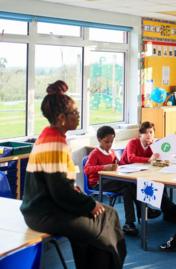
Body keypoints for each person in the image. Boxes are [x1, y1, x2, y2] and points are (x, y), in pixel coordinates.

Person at [20, 80, 126, 269]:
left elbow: (56, 183)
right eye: (75, 113)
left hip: (42, 209)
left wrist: (76, 194)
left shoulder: (50, 135)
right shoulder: (55, 142)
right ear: (61, 118)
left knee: (97, 224)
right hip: (45, 213)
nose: (78, 116)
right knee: (108, 218)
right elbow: (60, 191)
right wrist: (89, 204)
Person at [84, 125, 141, 235]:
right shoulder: (95, 153)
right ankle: (140, 213)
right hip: (98, 183)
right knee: (128, 185)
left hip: (112, 181)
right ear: (99, 140)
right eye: (106, 142)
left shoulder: (112, 152)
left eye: (111, 142)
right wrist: (104, 167)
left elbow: (118, 164)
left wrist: (130, 166)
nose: (109, 145)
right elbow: (87, 169)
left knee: (129, 187)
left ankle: (130, 223)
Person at [119, 121, 176, 222]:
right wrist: (148, 159)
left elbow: (156, 159)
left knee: (160, 182)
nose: (149, 135)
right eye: (146, 133)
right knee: (149, 186)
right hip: (126, 173)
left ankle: (168, 212)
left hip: (143, 172)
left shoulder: (153, 145)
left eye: (151, 132)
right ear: (140, 134)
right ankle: (175, 212)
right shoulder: (133, 142)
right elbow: (131, 158)